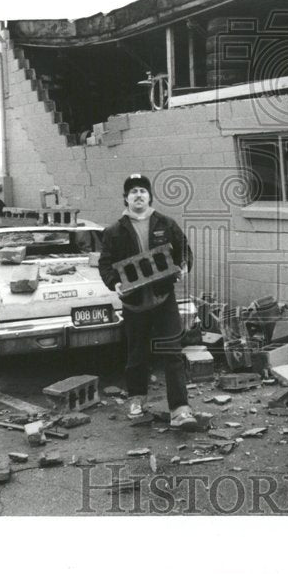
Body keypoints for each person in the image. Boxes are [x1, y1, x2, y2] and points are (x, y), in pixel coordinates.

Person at [98, 174, 196, 429]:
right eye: (133, 192)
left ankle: (180, 410)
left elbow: (184, 249)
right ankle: (137, 401)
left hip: (164, 298)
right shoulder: (114, 230)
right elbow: (105, 264)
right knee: (137, 354)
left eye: (142, 190)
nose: (138, 195)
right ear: (126, 198)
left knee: (172, 353)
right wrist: (114, 283)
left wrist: (184, 265)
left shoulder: (166, 223)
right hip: (134, 303)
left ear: (149, 196)